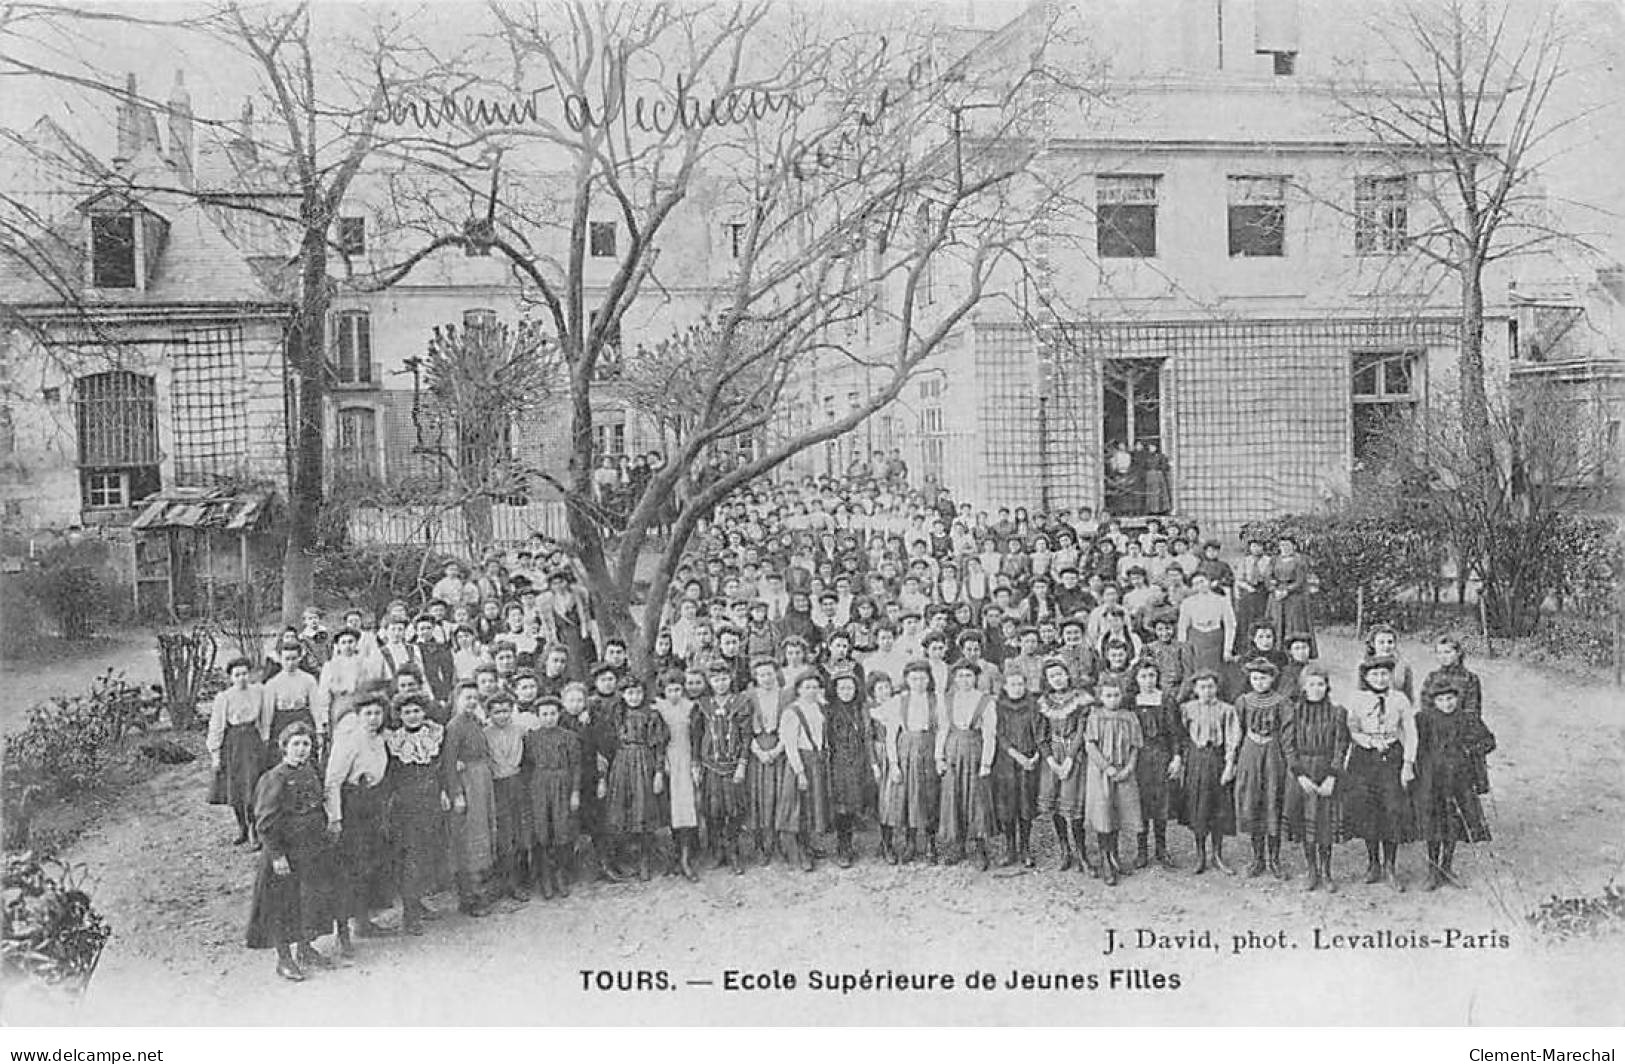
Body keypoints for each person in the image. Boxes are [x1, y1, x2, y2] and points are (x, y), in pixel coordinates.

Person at [245, 722, 338, 982]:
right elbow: (264, 821)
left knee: (306, 902)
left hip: (309, 849)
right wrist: (276, 855)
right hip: (284, 854)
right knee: (282, 906)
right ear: (284, 747)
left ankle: (305, 950)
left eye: (306, 744)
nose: (301, 749)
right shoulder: (275, 778)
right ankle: (284, 959)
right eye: (295, 744)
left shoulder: (310, 771)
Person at [1341, 656, 1417, 892]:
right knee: (1368, 810)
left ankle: (1390, 866)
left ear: (1391, 676)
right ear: (1365, 676)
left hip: (1392, 756)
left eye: (1384, 674)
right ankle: (1373, 863)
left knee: (1392, 810)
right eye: (1374, 674)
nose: (1380, 678)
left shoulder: (1399, 699)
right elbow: (1351, 728)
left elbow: (1411, 733)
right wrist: (1370, 741)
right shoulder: (1357, 698)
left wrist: (1408, 764)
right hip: (1365, 757)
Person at [324, 691, 392, 950]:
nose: (373, 719)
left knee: (371, 863)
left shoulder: (380, 739)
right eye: (368, 714)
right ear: (358, 716)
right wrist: (336, 819)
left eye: (377, 713)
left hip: (373, 804)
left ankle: (365, 921)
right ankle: (350, 928)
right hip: (353, 807)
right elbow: (333, 782)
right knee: (354, 866)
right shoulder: (349, 741)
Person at [1412, 679, 1496, 891]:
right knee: (1433, 823)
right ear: (1433, 701)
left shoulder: (1467, 719)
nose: (1446, 703)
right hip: (1433, 779)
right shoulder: (1424, 719)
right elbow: (1415, 746)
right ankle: (1432, 870)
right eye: (1441, 700)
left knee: (1453, 822)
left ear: (1457, 699)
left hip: (1460, 779)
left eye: (1450, 699)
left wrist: (1469, 750)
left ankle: (1447, 866)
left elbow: (1489, 741)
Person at [1280, 664, 1349, 893]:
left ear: (1327, 686)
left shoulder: (1337, 712)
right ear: (1303, 687)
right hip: (1303, 772)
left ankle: (1326, 871)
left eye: (1321, 684)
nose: (1316, 689)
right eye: (1311, 684)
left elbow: (1341, 746)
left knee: (1325, 825)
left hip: (1326, 770)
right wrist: (1299, 775)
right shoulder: (1294, 712)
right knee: (1306, 824)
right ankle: (1312, 870)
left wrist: (1332, 776)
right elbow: (1288, 746)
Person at [385, 692, 448, 935]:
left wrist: (442, 791)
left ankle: (418, 902)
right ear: (400, 715)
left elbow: (440, 767)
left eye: (417, 711)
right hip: (406, 806)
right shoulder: (395, 741)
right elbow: (390, 776)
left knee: (427, 855)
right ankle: (409, 915)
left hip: (430, 801)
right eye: (407, 712)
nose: (413, 716)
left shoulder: (434, 734)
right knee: (410, 858)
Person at [1171, 670, 1240, 876]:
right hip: (1196, 759)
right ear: (1194, 689)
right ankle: (1200, 855)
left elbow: (1232, 738)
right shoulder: (1187, 709)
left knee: (1218, 807)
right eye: (1202, 687)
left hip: (1217, 759)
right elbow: (1181, 737)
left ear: (1216, 688)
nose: (1206, 691)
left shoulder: (1227, 710)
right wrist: (1181, 761)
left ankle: (1217, 854)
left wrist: (1229, 765)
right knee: (1198, 806)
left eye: (1210, 686)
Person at [603, 675, 668, 881]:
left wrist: (658, 772)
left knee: (643, 809)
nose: (634, 697)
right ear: (623, 694)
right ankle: (623, 858)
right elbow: (608, 740)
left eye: (638, 692)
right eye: (629, 693)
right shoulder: (617, 713)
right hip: (622, 763)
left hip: (644, 761)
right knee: (623, 810)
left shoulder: (652, 715)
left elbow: (658, 746)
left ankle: (645, 860)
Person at [440, 683, 497, 917]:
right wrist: (457, 794)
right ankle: (470, 897)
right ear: (457, 699)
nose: (472, 702)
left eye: (475, 698)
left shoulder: (475, 722)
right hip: (468, 783)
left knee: (482, 836)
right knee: (469, 840)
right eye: (467, 697)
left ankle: (480, 891)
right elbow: (449, 763)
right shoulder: (454, 727)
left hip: (482, 781)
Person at [1233, 658, 1292, 881]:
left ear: (1272, 678)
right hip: (1250, 752)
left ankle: (1274, 859)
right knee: (1252, 800)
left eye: (1264, 678)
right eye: (1255, 678)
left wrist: (1288, 761)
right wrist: (1234, 759)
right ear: (1249, 679)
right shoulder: (1243, 701)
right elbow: (1236, 731)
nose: (1259, 682)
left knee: (1272, 800)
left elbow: (1287, 733)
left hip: (1273, 752)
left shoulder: (1281, 702)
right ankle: (1257, 858)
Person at [935, 662, 997, 870]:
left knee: (976, 798)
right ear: (954, 678)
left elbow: (989, 733)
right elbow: (942, 729)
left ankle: (979, 847)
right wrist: (939, 757)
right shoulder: (947, 699)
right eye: (960, 676)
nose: (964, 680)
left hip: (975, 750)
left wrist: (986, 762)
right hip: (953, 749)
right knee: (954, 796)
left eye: (969, 676)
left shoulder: (985, 700)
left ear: (976, 678)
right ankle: (958, 845)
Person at [1084, 676, 1143, 887]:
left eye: (1116, 695)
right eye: (1108, 695)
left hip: (1123, 772)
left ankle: (1115, 855)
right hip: (1101, 773)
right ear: (1101, 697)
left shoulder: (1129, 717)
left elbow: (1136, 746)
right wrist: (1107, 767)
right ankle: (1104, 858)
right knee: (1103, 814)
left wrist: (1128, 768)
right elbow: (1090, 746)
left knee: (1118, 812)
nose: (1113, 699)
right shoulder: (1095, 717)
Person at [208, 657, 273, 848]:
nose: (242, 678)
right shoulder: (224, 697)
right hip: (234, 744)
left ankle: (254, 828)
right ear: (230, 677)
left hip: (253, 742)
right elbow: (216, 726)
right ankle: (242, 827)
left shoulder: (258, 691)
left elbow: (265, 718)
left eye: (245, 673)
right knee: (236, 787)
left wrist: (265, 739)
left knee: (253, 785)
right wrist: (215, 754)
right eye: (237, 675)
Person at [522, 696, 582, 900]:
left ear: (559, 714)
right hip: (540, 785)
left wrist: (574, 792)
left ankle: (560, 874)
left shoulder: (569, 737)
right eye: (544, 714)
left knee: (562, 829)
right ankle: (545, 877)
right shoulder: (531, 737)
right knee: (542, 830)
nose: (549, 718)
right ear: (538, 716)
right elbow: (527, 765)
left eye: (553, 714)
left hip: (562, 785)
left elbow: (576, 766)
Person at [696, 662, 753, 874]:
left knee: (734, 809)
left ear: (731, 678)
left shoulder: (740, 702)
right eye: (716, 679)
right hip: (710, 766)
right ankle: (717, 850)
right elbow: (696, 736)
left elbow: (747, 736)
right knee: (713, 810)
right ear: (710, 682)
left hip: (732, 765)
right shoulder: (702, 705)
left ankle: (733, 850)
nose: (720, 683)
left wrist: (742, 764)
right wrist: (696, 763)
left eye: (724, 678)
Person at [883, 660, 942, 864]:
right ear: (907, 680)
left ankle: (930, 844)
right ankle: (910, 842)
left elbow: (942, 730)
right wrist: (893, 764)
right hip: (906, 749)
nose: (918, 682)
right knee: (909, 796)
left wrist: (939, 755)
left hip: (929, 747)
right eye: (914, 678)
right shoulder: (899, 701)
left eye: (923, 678)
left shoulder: (937, 700)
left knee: (930, 796)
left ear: (929, 679)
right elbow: (890, 735)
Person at [1036, 659, 1091, 875]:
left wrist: (1069, 759)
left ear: (1067, 675)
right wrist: (1050, 760)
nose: (1057, 679)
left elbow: (1081, 731)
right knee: (1056, 806)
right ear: (1047, 680)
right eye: (1052, 676)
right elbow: (1041, 736)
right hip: (1053, 757)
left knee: (1074, 808)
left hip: (1073, 755)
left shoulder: (1080, 699)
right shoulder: (1044, 703)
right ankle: (1064, 850)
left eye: (1060, 674)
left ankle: (1082, 853)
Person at [1418, 635, 1490, 794]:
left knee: (1465, 780)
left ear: (1458, 653)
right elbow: (1426, 707)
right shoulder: (1432, 677)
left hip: (1461, 733)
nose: (1444, 656)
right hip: (1438, 732)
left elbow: (1472, 709)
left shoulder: (1469, 678)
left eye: (1448, 652)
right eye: (1440, 653)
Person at [777, 671, 832, 872]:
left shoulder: (821, 708)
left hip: (817, 761)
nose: (811, 691)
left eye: (814, 687)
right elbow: (790, 744)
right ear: (798, 689)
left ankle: (809, 844)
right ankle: (799, 850)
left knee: (813, 805)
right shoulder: (792, 711)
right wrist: (799, 771)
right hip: (801, 761)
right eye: (806, 687)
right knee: (799, 806)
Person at [1128, 660, 1180, 870]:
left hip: (1160, 755)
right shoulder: (1131, 701)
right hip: (1138, 756)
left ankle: (1161, 848)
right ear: (1136, 679)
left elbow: (1175, 731)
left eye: (1151, 675)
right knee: (1140, 803)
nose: (1148, 680)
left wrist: (1176, 757)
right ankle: (1142, 850)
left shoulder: (1166, 699)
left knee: (1161, 803)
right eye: (1143, 676)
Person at [484, 693, 533, 903]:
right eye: (497, 712)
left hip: (517, 782)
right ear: (490, 714)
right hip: (497, 785)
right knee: (502, 834)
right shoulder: (485, 733)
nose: (502, 716)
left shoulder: (520, 730)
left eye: (506, 711)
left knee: (519, 831)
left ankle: (518, 881)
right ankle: (502, 882)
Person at [990, 669, 1041, 867]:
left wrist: (1036, 755)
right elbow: (999, 735)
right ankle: (1010, 848)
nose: (1017, 688)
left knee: (1026, 805)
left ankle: (1025, 848)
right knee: (1008, 806)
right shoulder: (999, 707)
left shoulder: (1033, 706)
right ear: (1005, 686)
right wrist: (1016, 755)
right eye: (1013, 685)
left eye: (1020, 684)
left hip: (1029, 761)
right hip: (1007, 762)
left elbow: (1040, 732)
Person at [654, 671, 702, 881]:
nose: (674, 694)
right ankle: (673, 855)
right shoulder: (658, 709)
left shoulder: (691, 708)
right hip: (667, 761)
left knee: (687, 808)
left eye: (678, 689)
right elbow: (657, 739)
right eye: (670, 690)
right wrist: (661, 761)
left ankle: (686, 857)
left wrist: (695, 762)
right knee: (671, 808)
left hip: (687, 758)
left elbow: (697, 737)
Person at [824, 670, 875, 867]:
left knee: (857, 801)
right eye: (842, 688)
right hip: (838, 762)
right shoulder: (829, 710)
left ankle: (855, 840)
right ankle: (843, 846)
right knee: (841, 805)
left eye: (850, 687)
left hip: (860, 760)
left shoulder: (861, 709)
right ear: (835, 690)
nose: (846, 691)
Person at [264, 640, 320, 770]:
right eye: (287, 659)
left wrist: (319, 729)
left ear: (300, 658)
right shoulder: (273, 683)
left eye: (294, 658)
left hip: (302, 719)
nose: (290, 663)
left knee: (306, 755)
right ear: (279, 659)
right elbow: (268, 712)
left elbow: (316, 706)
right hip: (282, 722)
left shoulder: (308, 680)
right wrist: (266, 734)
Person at [1264, 535, 1315, 656]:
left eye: (1288, 545)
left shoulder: (1299, 560)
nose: (1285, 548)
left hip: (1294, 597)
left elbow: (1300, 580)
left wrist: (1287, 590)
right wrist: (1274, 589)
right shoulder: (1274, 560)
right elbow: (1268, 576)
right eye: (1282, 545)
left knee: (1293, 624)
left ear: (1294, 546)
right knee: (1276, 622)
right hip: (1276, 597)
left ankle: (1294, 652)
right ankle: (1276, 650)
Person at [1232, 537, 1271, 657]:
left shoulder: (1268, 561)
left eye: (1259, 546)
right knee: (1245, 621)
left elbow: (1270, 577)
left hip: (1263, 593)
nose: (1256, 549)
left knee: (1262, 618)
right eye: (1254, 546)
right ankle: (1245, 648)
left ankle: (1263, 646)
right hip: (1248, 593)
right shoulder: (1245, 561)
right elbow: (1239, 580)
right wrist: (1248, 588)